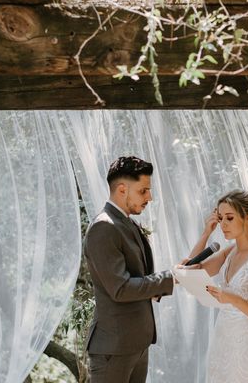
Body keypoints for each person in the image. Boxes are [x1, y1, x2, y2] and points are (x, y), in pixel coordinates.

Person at [84, 156, 174, 383]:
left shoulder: (127, 222)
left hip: (136, 343)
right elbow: (121, 288)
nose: (149, 197)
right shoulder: (104, 227)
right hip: (114, 349)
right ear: (122, 189)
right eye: (143, 191)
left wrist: (159, 286)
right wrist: (169, 278)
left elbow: (137, 277)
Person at [188, 190, 248, 383]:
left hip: (244, 347)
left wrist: (232, 298)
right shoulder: (230, 251)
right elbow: (191, 270)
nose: (223, 224)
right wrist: (206, 233)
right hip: (220, 340)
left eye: (229, 218)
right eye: (220, 218)